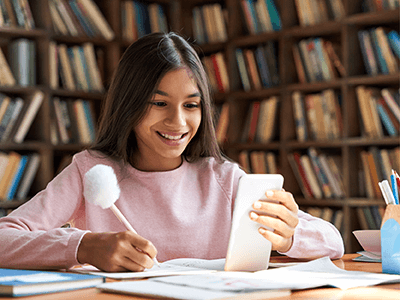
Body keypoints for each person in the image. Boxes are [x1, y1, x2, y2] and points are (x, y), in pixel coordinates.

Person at [0, 32, 344, 272]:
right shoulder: (90, 170)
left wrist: (289, 236)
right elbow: (4, 237)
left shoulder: (222, 178)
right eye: (159, 103)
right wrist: (82, 246)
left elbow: (333, 242)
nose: (177, 122)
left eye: (191, 105)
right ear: (129, 104)